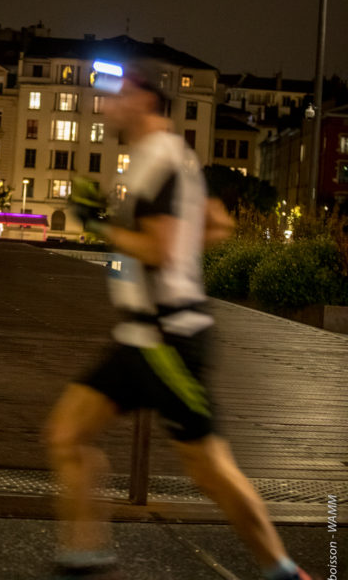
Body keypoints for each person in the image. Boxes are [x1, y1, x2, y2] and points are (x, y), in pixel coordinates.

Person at [43, 66, 313, 580]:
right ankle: (84, 556)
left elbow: (161, 249)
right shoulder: (167, 159)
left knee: (209, 470)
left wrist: (100, 224)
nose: (107, 105)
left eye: (118, 97)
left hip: (170, 340)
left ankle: (283, 570)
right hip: (138, 335)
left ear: (145, 103)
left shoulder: (162, 160)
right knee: (65, 434)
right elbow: (217, 224)